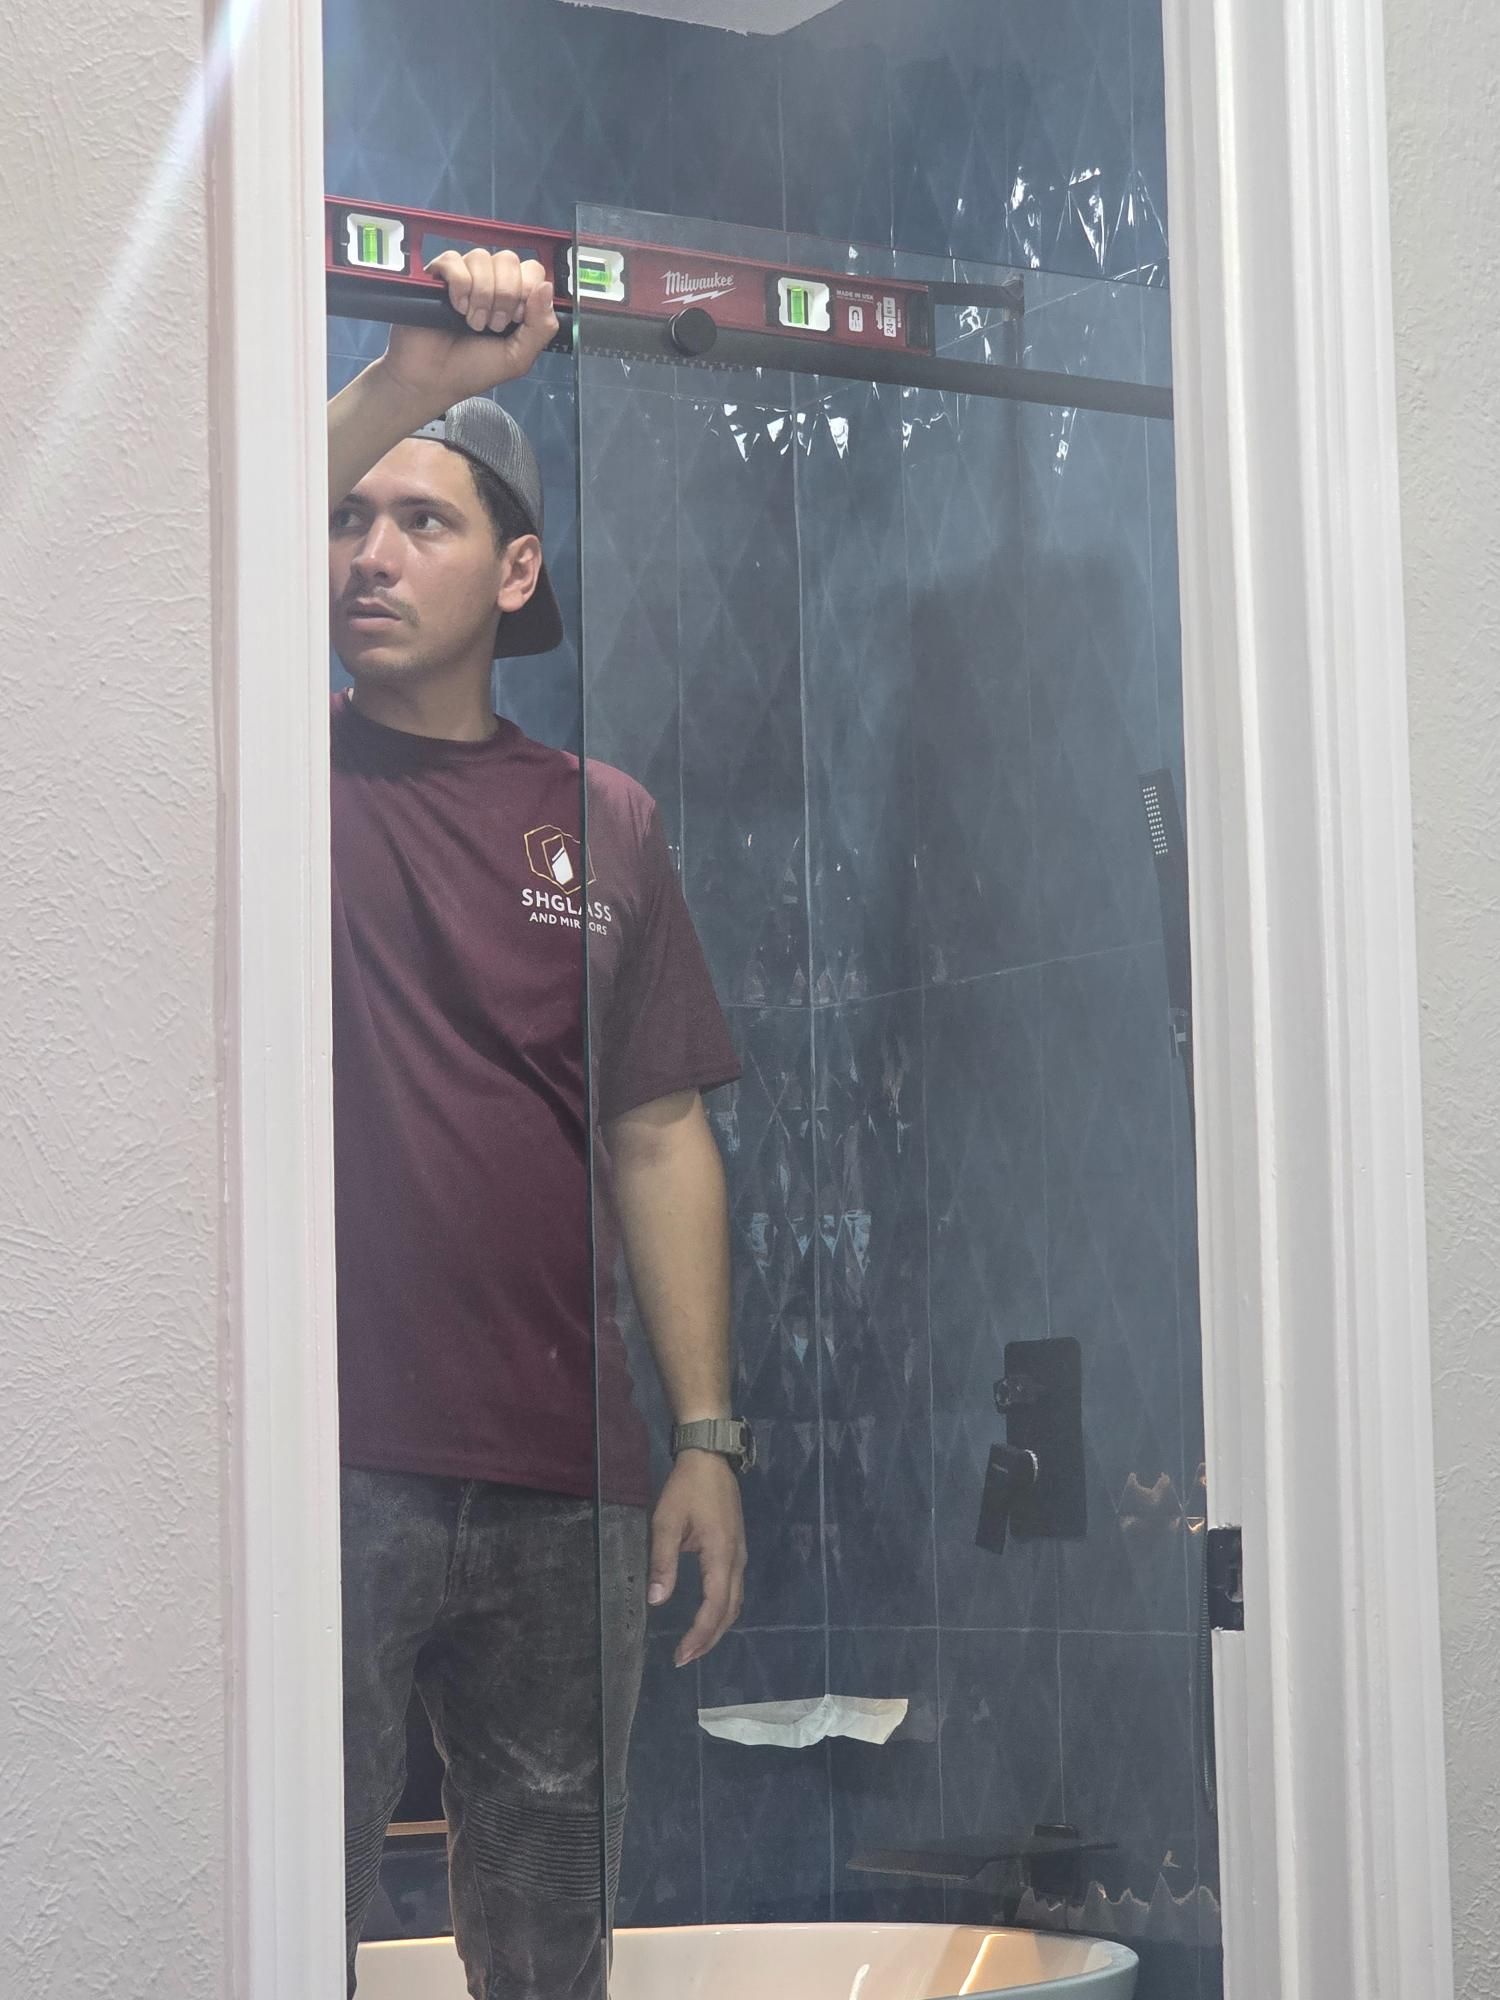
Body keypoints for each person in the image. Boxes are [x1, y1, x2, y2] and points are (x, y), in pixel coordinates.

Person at [327, 247, 754, 1999]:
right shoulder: (264, 774)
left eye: (421, 521)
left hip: (563, 1491)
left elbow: (657, 1138)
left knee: (547, 1959)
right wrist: (409, 379)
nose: (366, 553)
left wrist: (706, 1438)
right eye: (348, 517)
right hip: (324, 1468)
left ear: (516, 572)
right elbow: (167, 553)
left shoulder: (607, 818)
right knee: (273, 1917)